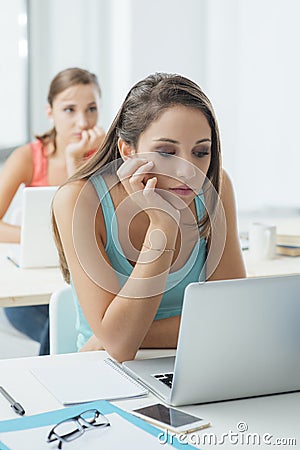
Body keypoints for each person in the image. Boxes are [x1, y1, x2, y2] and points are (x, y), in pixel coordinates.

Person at [52, 72, 246, 363]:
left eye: (201, 152)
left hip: (195, 363)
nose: (187, 170)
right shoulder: (78, 200)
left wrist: (119, 333)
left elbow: (231, 317)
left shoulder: (215, 187)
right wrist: (162, 226)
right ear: (128, 151)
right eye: (167, 152)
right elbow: (120, 349)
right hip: (101, 369)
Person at [0, 67, 105, 355]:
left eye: (91, 109)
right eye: (69, 110)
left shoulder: (107, 155)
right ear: (50, 112)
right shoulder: (28, 157)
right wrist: (36, 237)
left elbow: (97, 222)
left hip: (81, 281)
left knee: (70, 310)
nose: (82, 122)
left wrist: (75, 162)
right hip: (34, 292)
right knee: (59, 318)